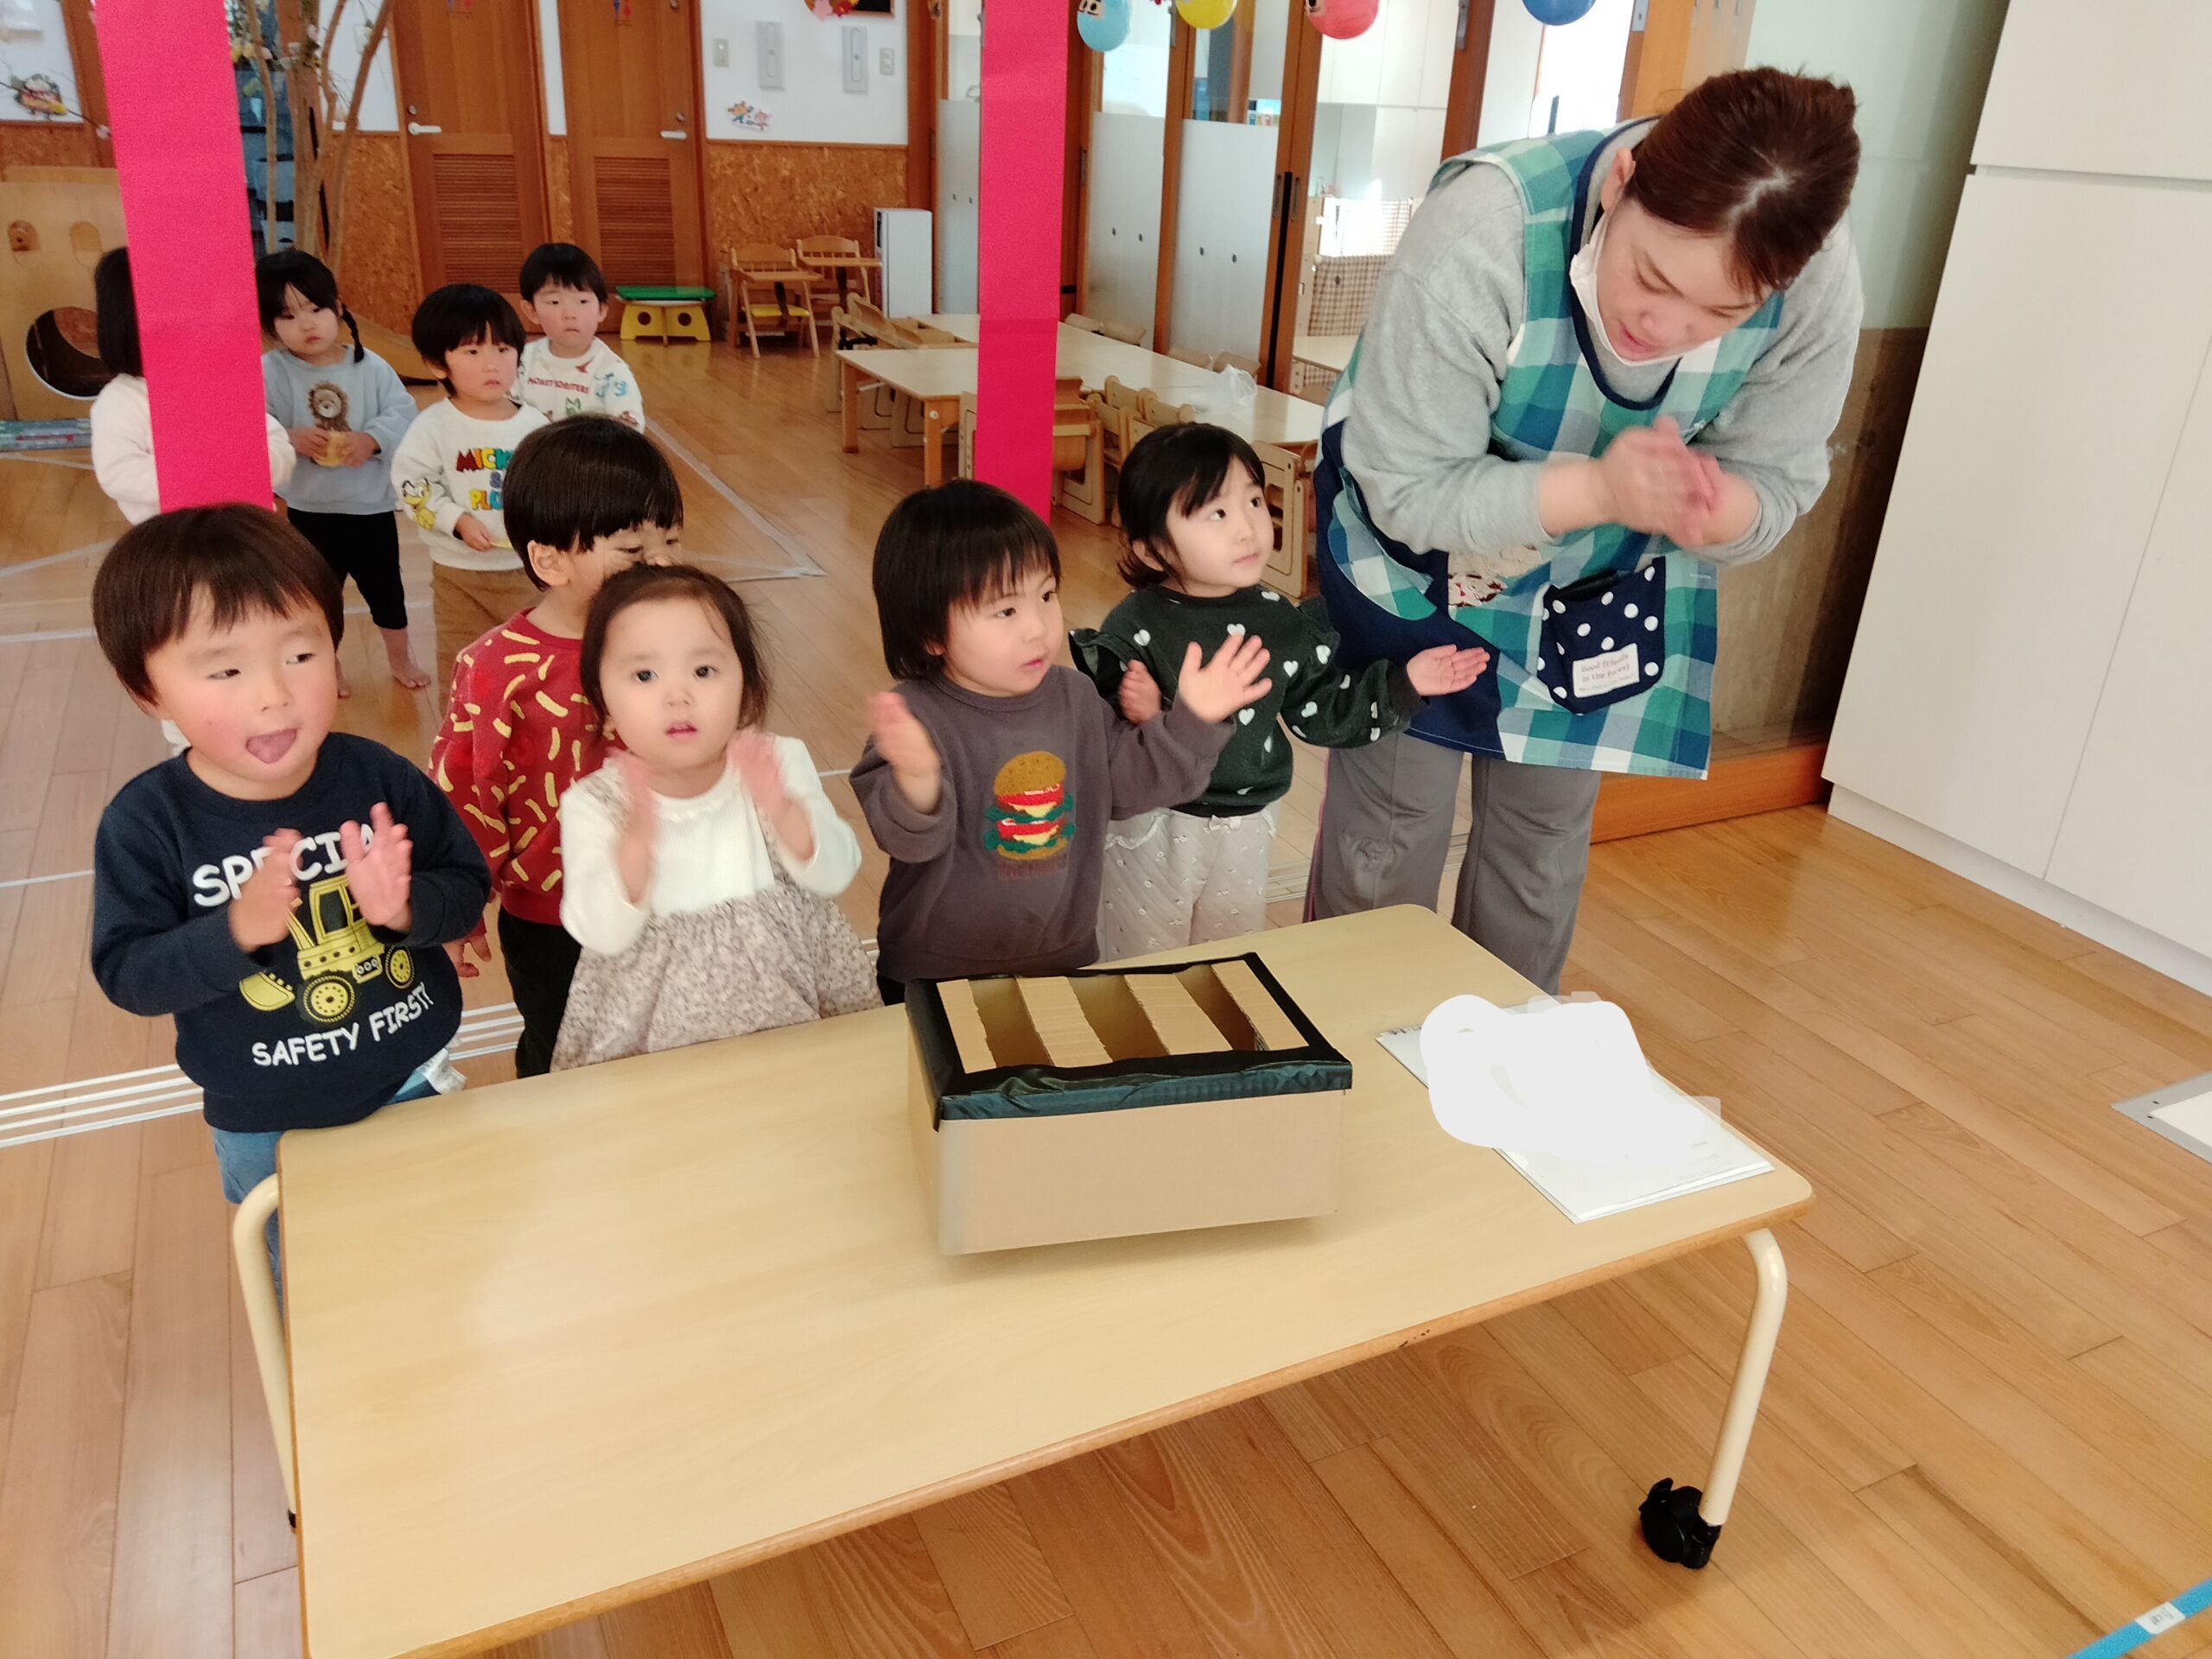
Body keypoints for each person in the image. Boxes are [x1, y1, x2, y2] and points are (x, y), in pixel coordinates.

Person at [1309, 67, 1865, 995]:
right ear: (1621, 182)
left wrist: (1713, 509)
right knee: (1390, 835)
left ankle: (1505, 1056)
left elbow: (1775, 480)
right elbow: (1409, 489)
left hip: (1594, 587)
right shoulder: (1485, 231)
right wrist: (1600, 489)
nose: (1664, 325)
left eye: (1721, 313)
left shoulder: (1811, 277)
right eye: (1650, 276)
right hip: (1414, 559)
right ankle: (1351, 1050)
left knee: (1540, 843)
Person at [86, 505, 490, 1287]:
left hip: (414, 1076)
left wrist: (405, 909)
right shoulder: (147, 824)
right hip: (264, 1118)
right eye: (225, 670)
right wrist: (233, 932)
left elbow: (467, 888)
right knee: (309, 1281)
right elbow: (130, 974)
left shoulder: (378, 776)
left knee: (445, 1254)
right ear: (146, 689)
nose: (275, 694)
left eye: (301, 654)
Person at [1073, 423, 1488, 958]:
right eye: (1216, 514)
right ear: (1153, 551)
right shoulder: (1134, 625)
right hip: (1155, 823)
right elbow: (1100, 748)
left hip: (1247, 826)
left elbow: (1322, 711)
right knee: (1141, 957)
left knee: (1229, 955)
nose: (1248, 528)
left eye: (1253, 501)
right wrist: (1150, 718)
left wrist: (1405, 684)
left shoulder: (1278, 621)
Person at [850, 479, 1272, 1003]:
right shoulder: (913, 720)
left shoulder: (1075, 697)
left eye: (1047, 595)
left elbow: (1132, 785)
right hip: (934, 972)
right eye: (1005, 611)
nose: (1038, 626)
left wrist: (1192, 721)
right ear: (930, 633)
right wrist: (918, 780)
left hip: (1062, 960)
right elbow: (910, 841)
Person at [430, 417, 683, 1077]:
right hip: (555, 920)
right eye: (633, 550)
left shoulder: (680, 642)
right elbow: (466, 795)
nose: (660, 565)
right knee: (566, 1056)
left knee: (674, 1041)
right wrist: (458, 907)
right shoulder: (497, 669)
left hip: (674, 896)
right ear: (550, 561)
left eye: (671, 542)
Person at [551, 563, 873, 1066]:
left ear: (747, 690)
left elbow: (834, 873)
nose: (677, 696)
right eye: (644, 675)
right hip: (655, 1041)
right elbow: (601, 933)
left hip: (792, 1011)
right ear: (604, 704)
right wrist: (635, 844)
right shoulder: (595, 804)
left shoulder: (775, 762)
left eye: (703, 671)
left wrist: (782, 808)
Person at [257, 248, 428, 692]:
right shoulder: (270, 371)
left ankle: (400, 657)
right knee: (317, 598)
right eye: (288, 316)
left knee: (387, 592)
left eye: (316, 309)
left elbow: (402, 412)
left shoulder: (370, 366)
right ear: (271, 325)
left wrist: (371, 439)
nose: (306, 324)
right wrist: (289, 437)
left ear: (338, 307)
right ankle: (326, 666)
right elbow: (254, 424)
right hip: (309, 510)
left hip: (370, 508)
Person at [391, 283, 548, 690]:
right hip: (458, 577)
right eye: (473, 352)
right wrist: (456, 520)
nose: (492, 364)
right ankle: (465, 729)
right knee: (463, 668)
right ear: (437, 364)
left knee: (534, 665)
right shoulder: (433, 426)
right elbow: (412, 486)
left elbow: (556, 488)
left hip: (529, 573)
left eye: (503, 349)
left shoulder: (536, 426)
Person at [91, 246, 296, 527]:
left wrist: (256, 465)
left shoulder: (221, 385)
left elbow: (277, 445)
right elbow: (119, 474)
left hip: (247, 529)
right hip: (176, 538)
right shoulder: (122, 400)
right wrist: (207, 476)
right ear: (128, 327)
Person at [517, 242, 645, 431]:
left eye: (583, 301)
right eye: (554, 302)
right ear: (531, 311)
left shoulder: (611, 372)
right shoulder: (522, 360)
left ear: (601, 310)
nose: (570, 314)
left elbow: (630, 431)